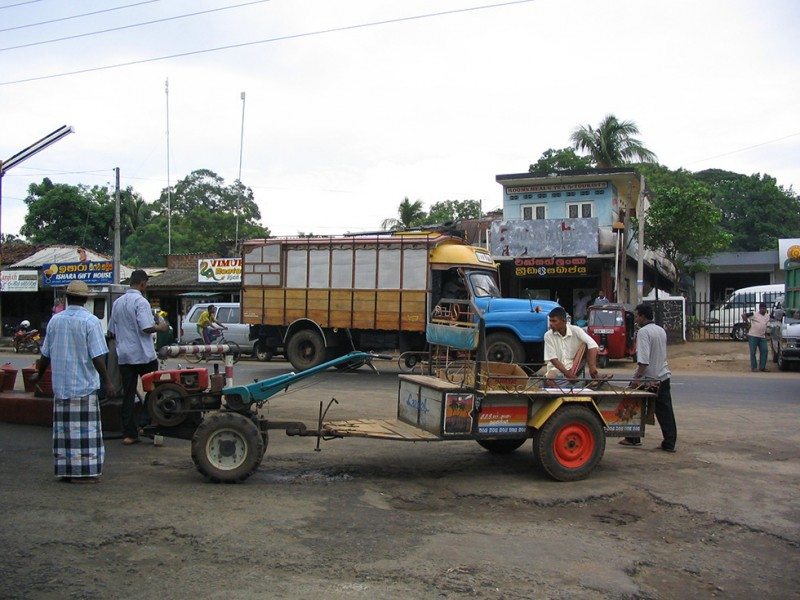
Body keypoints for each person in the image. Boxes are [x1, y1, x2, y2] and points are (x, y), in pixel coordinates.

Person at [31, 280, 116, 483]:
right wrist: (108, 382)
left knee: (64, 433)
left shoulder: (55, 321)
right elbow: (97, 357)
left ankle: (66, 471)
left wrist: (39, 374)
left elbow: (46, 354)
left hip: (61, 386)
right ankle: (84, 473)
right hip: (84, 386)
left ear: (67, 298)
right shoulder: (91, 321)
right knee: (85, 434)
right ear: (86, 299)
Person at [107, 269, 168, 445]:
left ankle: (129, 433)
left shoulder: (118, 303)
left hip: (124, 356)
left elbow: (111, 330)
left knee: (128, 394)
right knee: (153, 390)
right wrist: (161, 327)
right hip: (143, 355)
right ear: (142, 284)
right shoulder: (141, 302)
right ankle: (144, 423)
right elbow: (146, 327)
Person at [619, 303, 677, 452]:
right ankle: (670, 442)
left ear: (643, 316)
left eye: (637, 315)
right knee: (665, 411)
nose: (636, 319)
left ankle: (633, 437)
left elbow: (643, 362)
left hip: (649, 379)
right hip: (663, 375)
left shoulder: (644, 332)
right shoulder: (660, 330)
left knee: (633, 402)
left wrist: (635, 380)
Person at [543, 306, 599, 381]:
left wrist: (592, 367)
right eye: (550, 321)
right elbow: (553, 359)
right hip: (555, 369)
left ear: (564, 321)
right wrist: (567, 374)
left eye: (554, 321)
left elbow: (593, 345)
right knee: (550, 378)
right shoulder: (548, 335)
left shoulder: (576, 330)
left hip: (574, 367)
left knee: (586, 345)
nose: (551, 324)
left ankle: (595, 378)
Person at [743, 302, 770, 372]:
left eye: (764, 308)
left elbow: (769, 322)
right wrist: (747, 323)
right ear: (759, 308)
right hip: (753, 336)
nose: (763, 310)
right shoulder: (754, 314)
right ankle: (754, 367)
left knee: (765, 350)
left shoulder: (767, 316)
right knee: (753, 352)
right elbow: (743, 315)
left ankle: (762, 367)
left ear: (766, 309)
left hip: (762, 336)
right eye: (762, 308)